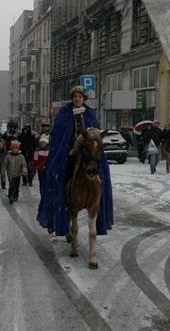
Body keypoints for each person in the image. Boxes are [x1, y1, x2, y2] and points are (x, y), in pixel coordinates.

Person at [36, 85, 113, 236]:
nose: (77, 99)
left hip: (87, 152)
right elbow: (60, 135)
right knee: (57, 174)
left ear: (84, 99)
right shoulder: (64, 113)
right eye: (75, 97)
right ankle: (56, 211)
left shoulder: (89, 113)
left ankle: (99, 207)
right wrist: (69, 148)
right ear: (72, 98)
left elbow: (94, 133)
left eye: (80, 97)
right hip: (68, 152)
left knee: (102, 173)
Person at [4, 140, 26, 204]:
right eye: (13, 148)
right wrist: (3, 172)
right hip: (10, 173)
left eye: (16, 148)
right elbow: (5, 164)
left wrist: (24, 171)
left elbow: (23, 164)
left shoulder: (21, 156)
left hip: (18, 174)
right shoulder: (8, 156)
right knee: (11, 185)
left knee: (16, 185)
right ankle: (10, 196)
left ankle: (15, 196)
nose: (14, 150)